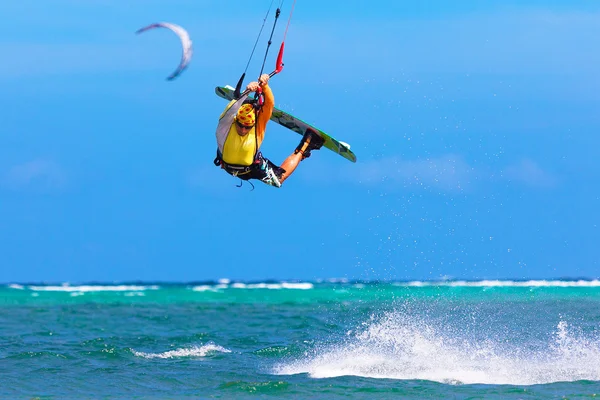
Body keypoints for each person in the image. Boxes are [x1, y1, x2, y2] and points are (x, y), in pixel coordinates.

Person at [214, 74, 323, 188]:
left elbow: (269, 105)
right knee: (278, 182)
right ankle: (309, 142)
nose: (243, 129)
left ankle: (306, 144)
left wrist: (265, 86)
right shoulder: (224, 128)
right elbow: (229, 112)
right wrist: (246, 92)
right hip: (231, 168)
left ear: (253, 124)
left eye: (247, 127)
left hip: (254, 168)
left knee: (279, 180)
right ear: (235, 120)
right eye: (240, 125)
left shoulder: (257, 127)